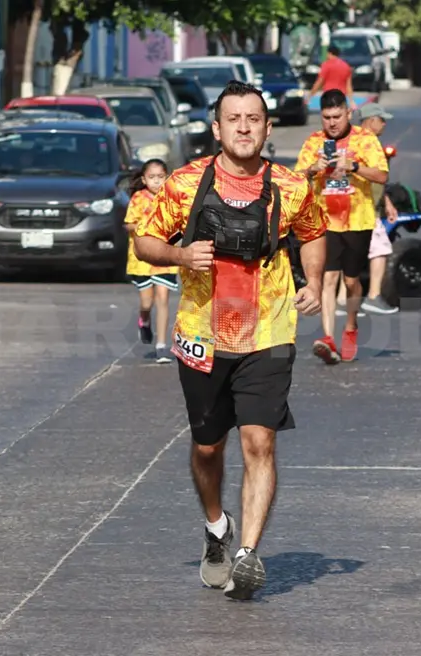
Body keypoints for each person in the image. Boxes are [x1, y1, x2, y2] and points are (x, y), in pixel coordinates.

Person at [133, 80, 326, 601]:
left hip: (270, 330)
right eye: (234, 119)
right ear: (217, 129)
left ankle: (248, 556)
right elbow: (144, 240)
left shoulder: (291, 186)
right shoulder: (185, 183)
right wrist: (180, 256)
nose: (244, 127)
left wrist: (313, 282)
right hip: (203, 332)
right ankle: (217, 528)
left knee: (259, 442)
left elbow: (313, 232)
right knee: (207, 447)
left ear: (267, 127)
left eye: (254, 118)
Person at [295, 89, 389, 364]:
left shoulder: (365, 139)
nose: (332, 123)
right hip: (324, 220)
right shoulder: (314, 141)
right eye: (326, 117)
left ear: (348, 113)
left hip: (358, 219)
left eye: (337, 116)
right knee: (328, 278)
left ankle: (350, 325)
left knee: (351, 281)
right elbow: (295, 177)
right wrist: (312, 169)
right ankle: (327, 337)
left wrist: (354, 166)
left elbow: (382, 175)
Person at [338, 102, 399, 316]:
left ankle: (342, 300)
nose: (384, 124)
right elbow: (362, 175)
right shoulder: (364, 143)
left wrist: (387, 202)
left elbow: (376, 181)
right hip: (360, 207)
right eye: (381, 120)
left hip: (360, 206)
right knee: (380, 249)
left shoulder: (355, 141)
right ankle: (373, 296)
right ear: (371, 121)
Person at [124, 158, 177, 363]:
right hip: (142, 259)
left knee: (162, 298)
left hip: (165, 257)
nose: (156, 181)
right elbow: (128, 224)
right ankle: (144, 320)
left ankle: (162, 345)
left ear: (167, 178)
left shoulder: (171, 198)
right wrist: (144, 225)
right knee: (147, 301)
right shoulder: (138, 199)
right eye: (152, 177)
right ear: (144, 180)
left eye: (160, 177)